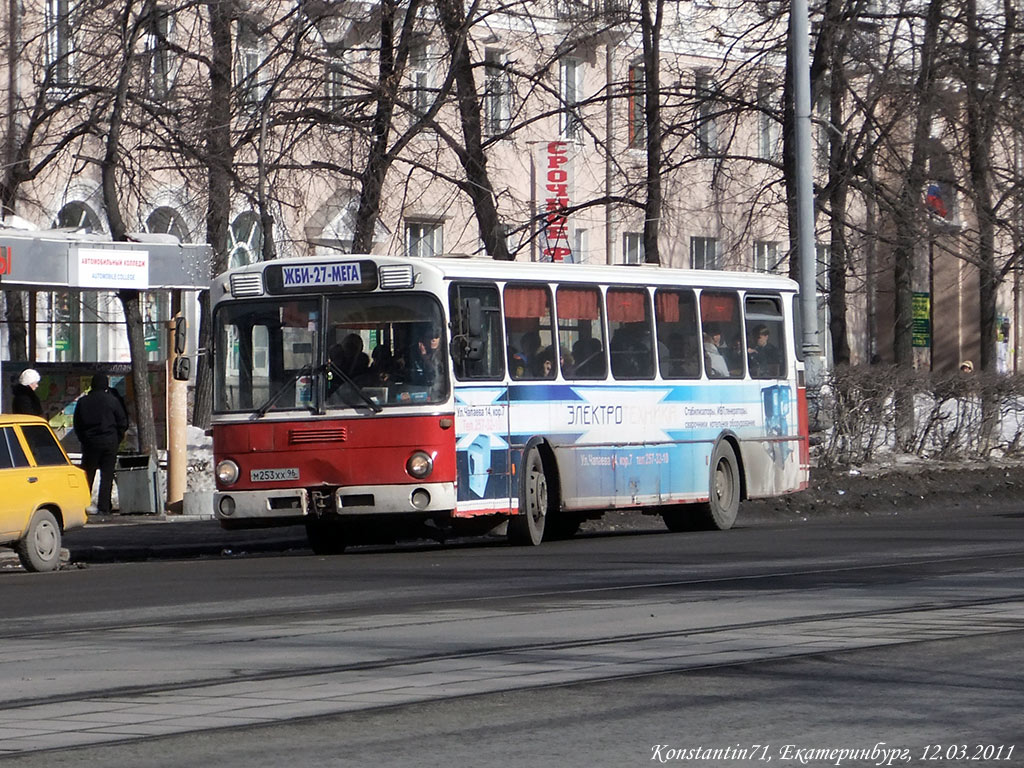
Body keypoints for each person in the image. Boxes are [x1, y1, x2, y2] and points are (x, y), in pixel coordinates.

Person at [73, 373, 128, 515]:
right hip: (109, 442)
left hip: (90, 443)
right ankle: (104, 507)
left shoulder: (83, 402)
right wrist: (117, 437)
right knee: (107, 475)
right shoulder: (112, 401)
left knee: (87, 475)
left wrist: (84, 438)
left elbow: (77, 424)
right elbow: (122, 421)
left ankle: (82, 504)